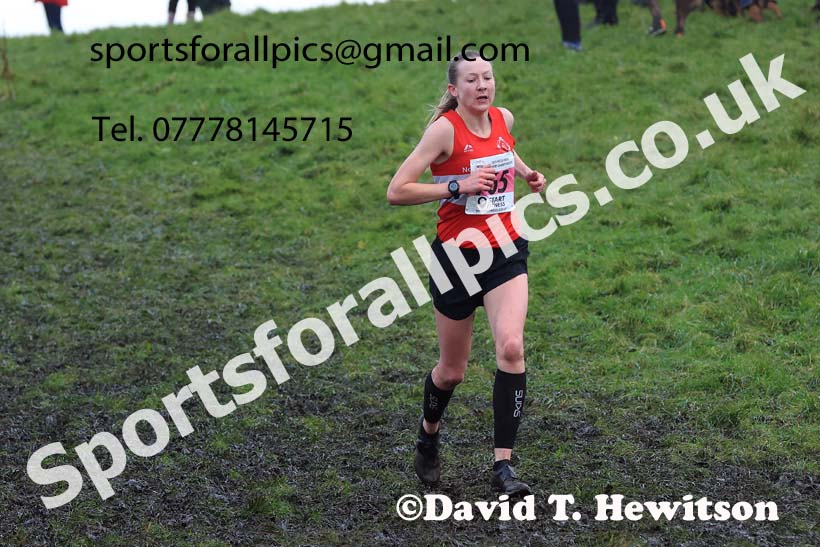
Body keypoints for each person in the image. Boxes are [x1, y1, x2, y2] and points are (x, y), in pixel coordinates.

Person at [386, 52, 546, 495]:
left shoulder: (502, 118)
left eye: (488, 77)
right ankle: (428, 435)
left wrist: (526, 172)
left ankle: (503, 468)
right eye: (472, 80)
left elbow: (502, 151)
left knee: (511, 348)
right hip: (456, 259)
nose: (483, 85)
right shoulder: (443, 131)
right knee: (452, 371)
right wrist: (456, 186)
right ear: (455, 90)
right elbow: (396, 191)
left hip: (506, 250)